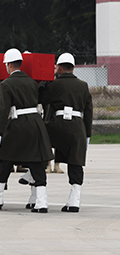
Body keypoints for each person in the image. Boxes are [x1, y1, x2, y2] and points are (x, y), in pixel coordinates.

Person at [0, 48, 54, 212]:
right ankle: (42, 203)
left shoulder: (6, 84)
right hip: (35, 123)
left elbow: (3, 111)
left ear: (8, 65)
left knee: (5, 161)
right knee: (36, 163)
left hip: (17, 124)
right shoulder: (31, 81)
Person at [40, 53, 93, 212]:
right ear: (73, 68)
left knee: (41, 143)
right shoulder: (83, 85)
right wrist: (87, 134)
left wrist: (43, 83)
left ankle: (34, 179)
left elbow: (41, 99)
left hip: (58, 124)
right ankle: (74, 200)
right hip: (77, 126)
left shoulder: (55, 84)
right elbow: (89, 111)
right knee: (75, 162)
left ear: (60, 68)